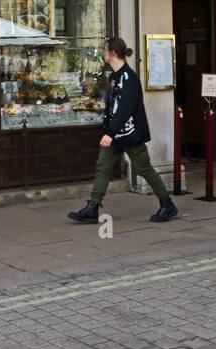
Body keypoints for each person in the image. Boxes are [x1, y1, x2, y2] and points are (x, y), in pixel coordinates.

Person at [69, 37, 178, 223]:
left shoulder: (128, 78)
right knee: (102, 167)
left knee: (144, 168)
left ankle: (167, 204)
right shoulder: (114, 76)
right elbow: (112, 107)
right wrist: (108, 131)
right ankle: (93, 207)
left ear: (113, 53)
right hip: (114, 133)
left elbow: (126, 109)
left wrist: (110, 133)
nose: (103, 53)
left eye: (105, 50)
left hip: (130, 134)